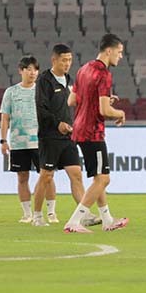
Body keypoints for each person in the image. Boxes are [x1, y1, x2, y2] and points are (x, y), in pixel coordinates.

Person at [63, 34, 129, 233]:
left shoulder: (84, 69)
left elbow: (72, 101)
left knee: (98, 178)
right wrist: (120, 113)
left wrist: (103, 100)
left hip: (79, 129)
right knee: (103, 179)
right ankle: (75, 221)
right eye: (119, 52)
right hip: (93, 131)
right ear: (109, 51)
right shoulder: (104, 74)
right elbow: (104, 112)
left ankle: (107, 219)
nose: (120, 57)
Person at [33, 44, 98, 227]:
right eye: (64, 60)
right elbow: (40, 108)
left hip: (69, 136)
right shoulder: (44, 80)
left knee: (76, 174)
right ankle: (37, 216)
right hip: (49, 137)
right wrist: (57, 123)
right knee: (46, 176)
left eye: (70, 60)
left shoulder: (70, 79)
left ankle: (83, 214)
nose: (67, 63)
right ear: (54, 60)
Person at [0, 55, 58, 223]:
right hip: (18, 143)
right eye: (29, 69)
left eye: (35, 69)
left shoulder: (42, 90)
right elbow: (5, 118)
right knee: (22, 177)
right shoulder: (11, 92)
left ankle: (52, 212)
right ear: (21, 71)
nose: (33, 73)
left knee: (47, 176)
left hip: (40, 141)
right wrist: (3, 140)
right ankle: (27, 213)